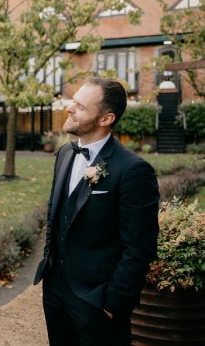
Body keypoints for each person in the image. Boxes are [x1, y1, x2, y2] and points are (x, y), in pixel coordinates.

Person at [34, 77, 160, 346]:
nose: (69, 108)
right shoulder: (65, 153)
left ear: (106, 119)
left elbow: (139, 247)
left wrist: (115, 302)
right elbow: (54, 214)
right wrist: (49, 266)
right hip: (55, 291)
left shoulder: (133, 170)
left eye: (80, 106)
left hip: (98, 300)